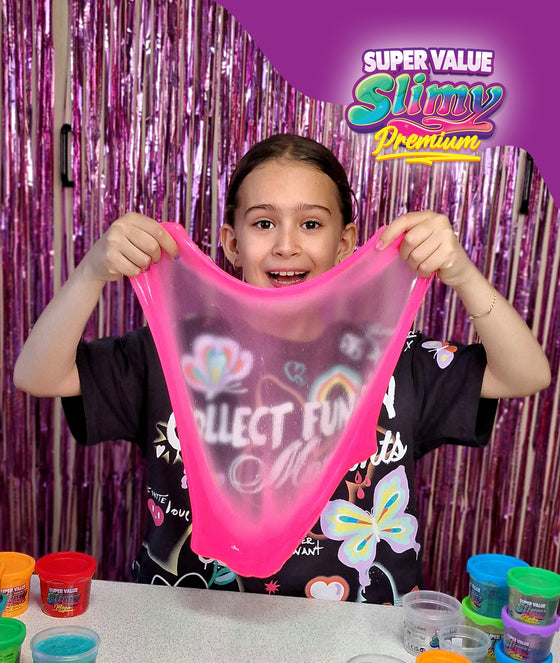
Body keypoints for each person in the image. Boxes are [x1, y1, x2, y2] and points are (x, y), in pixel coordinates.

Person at [14, 134, 550, 604]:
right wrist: (91, 271)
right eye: (264, 222)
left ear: (345, 242)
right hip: (190, 623)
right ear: (232, 242)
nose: (286, 245)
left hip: (358, 636)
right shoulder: (175, 350)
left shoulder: (393, 354)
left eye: (311, 223)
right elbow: (37, 376)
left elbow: (526, 375)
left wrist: (461, 273)